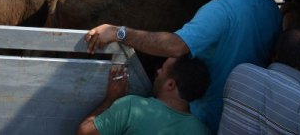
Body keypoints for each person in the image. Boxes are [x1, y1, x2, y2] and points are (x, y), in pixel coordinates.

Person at [84, 0, 282, 133]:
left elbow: (176, 46)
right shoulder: (270, 7)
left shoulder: (219, 10)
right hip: (244, 119)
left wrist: (119, 32)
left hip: (208, 117)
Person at [77, 57, 212, 135]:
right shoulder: (202, 131)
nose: (157, 71)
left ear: (170, 85)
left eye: (163, 69)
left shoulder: (131, 107)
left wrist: (111, 99)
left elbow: (84, 133)